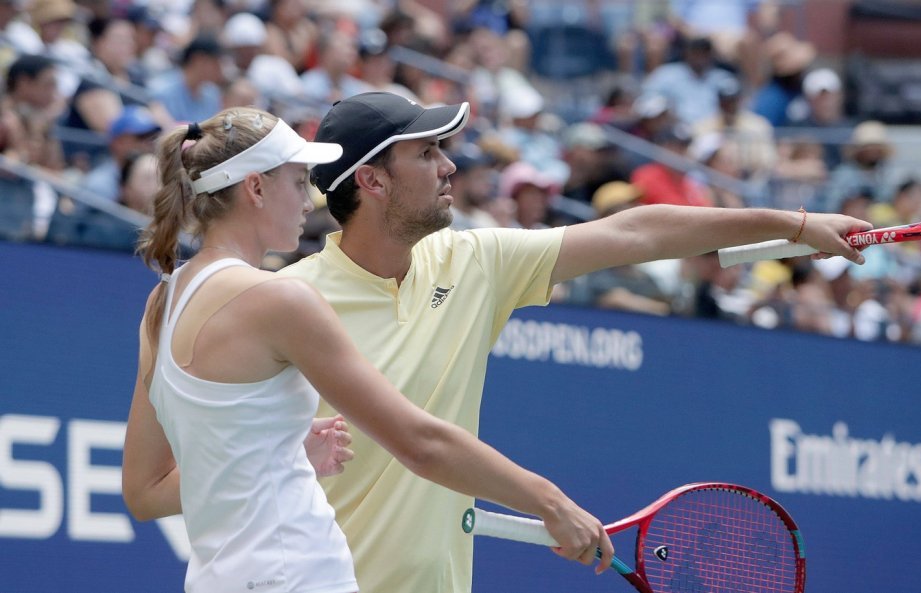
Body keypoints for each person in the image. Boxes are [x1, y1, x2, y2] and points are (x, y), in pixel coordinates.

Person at [278, 91, 873, 593]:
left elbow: (639, 230)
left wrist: (793, 225)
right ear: (371, 180)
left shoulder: (473, 261)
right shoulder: (284, 303)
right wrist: (550, 504)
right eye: (427, 152)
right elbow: (197, 476)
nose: (448, 166)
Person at [121, 106, 613, 593]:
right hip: (301, 578)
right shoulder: (280, 298)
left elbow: (145, 493)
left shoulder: (163, 302)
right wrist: (551, 502)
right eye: (297, 182)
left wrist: (279, 455)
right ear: (255, 188)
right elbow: (421, 443)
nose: (310, 201)